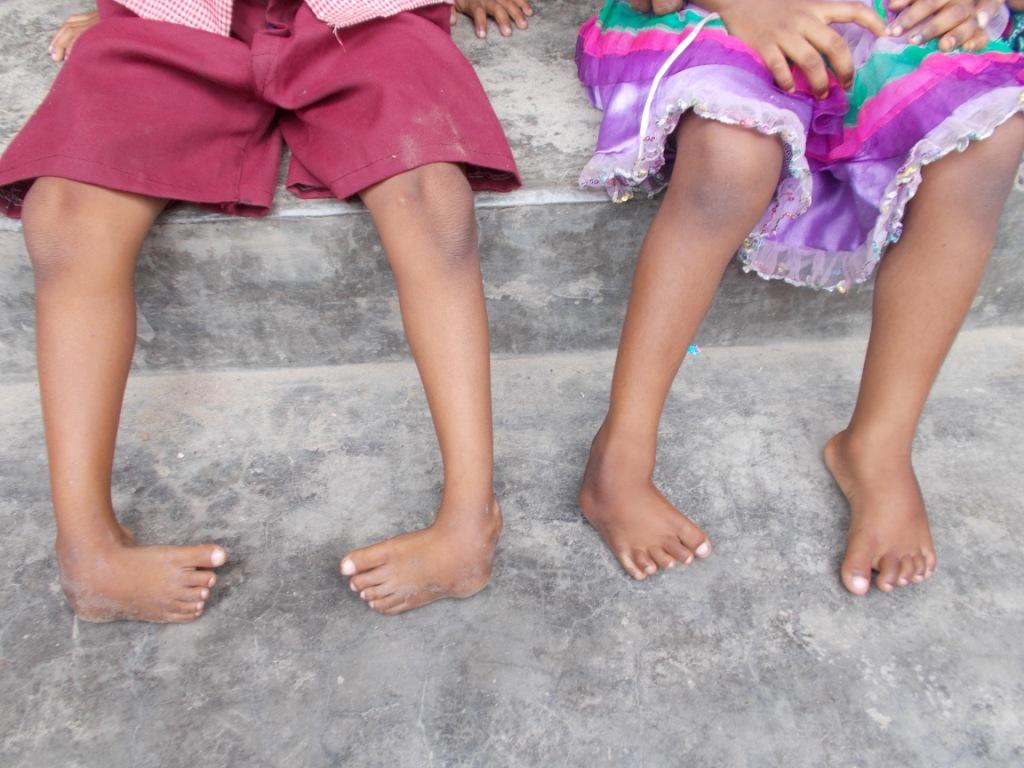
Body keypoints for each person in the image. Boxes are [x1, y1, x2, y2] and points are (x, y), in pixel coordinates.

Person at [0, 0, 528, 622]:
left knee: (434, 203)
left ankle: (469, 520)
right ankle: (87, 546)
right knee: (64, 219)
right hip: (177, 15)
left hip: (363, 16)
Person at [575, 0, 1024, 594]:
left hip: (885, 26)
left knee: (986, 143)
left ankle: (878, 448)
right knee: (735, 155)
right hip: (725, 14)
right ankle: (621, 454)